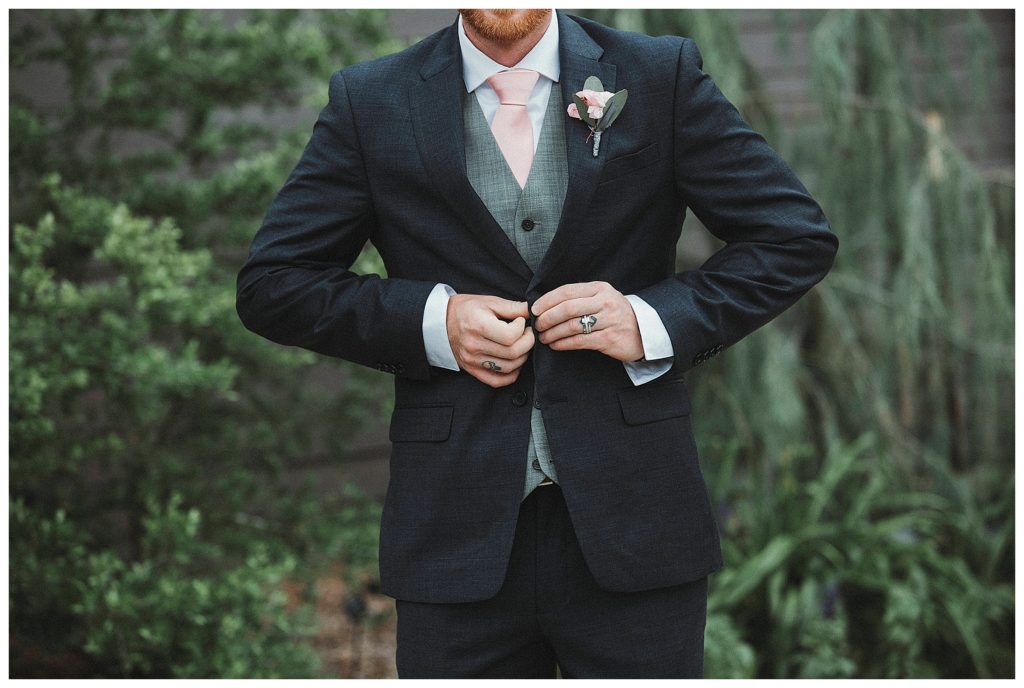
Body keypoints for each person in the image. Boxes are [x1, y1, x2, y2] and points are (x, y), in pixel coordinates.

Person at [236, 8, 837, 678]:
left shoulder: (657, 75)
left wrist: (647, 320)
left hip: (636, 525)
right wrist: (435, 322)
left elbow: (792, 237)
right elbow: (275, 284)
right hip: (453, 533)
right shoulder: (371, 100)